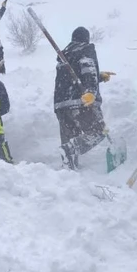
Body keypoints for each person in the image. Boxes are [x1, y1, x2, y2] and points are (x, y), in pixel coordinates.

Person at [53, 27, 108, 170]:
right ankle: (70, 149)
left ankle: (69, 171)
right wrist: (91, 90)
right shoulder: (86, 48)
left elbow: (72, 76)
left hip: (61, 105)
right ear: (86, 38)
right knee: (99, 131)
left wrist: (99, 76)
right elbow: (88, 69)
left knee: (70, 139)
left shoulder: (65, 55)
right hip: (80, 102)